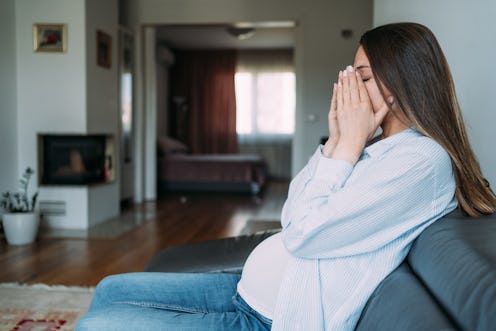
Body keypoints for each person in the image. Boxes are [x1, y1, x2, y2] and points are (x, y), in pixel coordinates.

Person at [76, 22, 496, 331]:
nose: (349, 86)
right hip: (245, 294)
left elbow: (303, 233)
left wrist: (346, 148)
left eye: (363, 76)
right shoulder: (374, 147)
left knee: (94, 325)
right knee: (110, 289)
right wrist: (337, 142)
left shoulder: (421, 161)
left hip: (271, 320)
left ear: (405, 81)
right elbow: (292, 210)